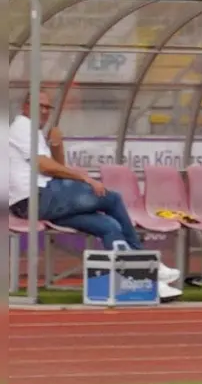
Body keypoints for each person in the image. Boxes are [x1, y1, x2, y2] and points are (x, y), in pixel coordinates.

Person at [8, 92, 181, 295]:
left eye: (48, 107)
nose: (45, 111)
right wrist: (85, 179)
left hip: (47, 201)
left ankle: (142, 279)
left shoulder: (33, 131)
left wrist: (56, 145)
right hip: (35, 198)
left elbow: (57, 167)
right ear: (26, 106)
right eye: (40, 106)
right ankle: (144, 259)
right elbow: (46, 167)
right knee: (112, 198)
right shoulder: (23, 127)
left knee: (109, 226)